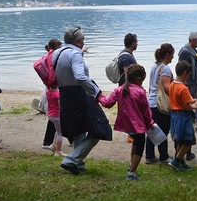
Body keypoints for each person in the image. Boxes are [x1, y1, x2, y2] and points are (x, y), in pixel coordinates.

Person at [53, 26, 103, 175]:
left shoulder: (57, 53)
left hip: (64, 95)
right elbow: (80, 76)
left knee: (78, 132)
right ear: (78, 41)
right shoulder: (75, 54)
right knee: (99, 129)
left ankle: (77, 164)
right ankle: (71, 160)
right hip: (78, 95)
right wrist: (95, 91)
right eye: (82, 41)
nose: (83, 43)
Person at [100, 64, 154, 181]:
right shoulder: (140, 92)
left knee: (136, 141)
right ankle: (132, 173)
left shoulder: (119, 90)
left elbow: (107, 103)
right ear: (139, 79)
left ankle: (131, 165)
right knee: (140, 144)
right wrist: (150, 123)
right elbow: (146, 111)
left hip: (125, 123)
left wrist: (99, 96)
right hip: (137, 124)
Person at [168, 60, 197, 171]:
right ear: (185, 73)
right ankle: (176, 161)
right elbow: (187, 106)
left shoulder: (172, 84)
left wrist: (191, 101)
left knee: (179, 140)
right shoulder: (183, 88)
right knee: (188, 140)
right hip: (183, 116)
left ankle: (181, 161)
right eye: (189, 74)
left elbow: (180, 100)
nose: (189, 76)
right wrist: (195, 105)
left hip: (174, 115)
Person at [145, 43, 174, 164]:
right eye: (172, 54)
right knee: (163, 130)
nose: (173, 57)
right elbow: (167, 88)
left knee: (153, 130)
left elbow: (151, 85)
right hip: (159, 104)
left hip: (151, 102)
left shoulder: (154, 66)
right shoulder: (165, 68)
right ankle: (164, 157)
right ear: (167, 55)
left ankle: (150, 156)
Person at [178, 31, 197, 160]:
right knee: (191, 103)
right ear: (193, 40)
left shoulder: (192, 50)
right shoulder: (185, 51)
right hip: (189, 82)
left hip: (194, 82)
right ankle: (195, 122)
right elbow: (182, 67)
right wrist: (184, 82)